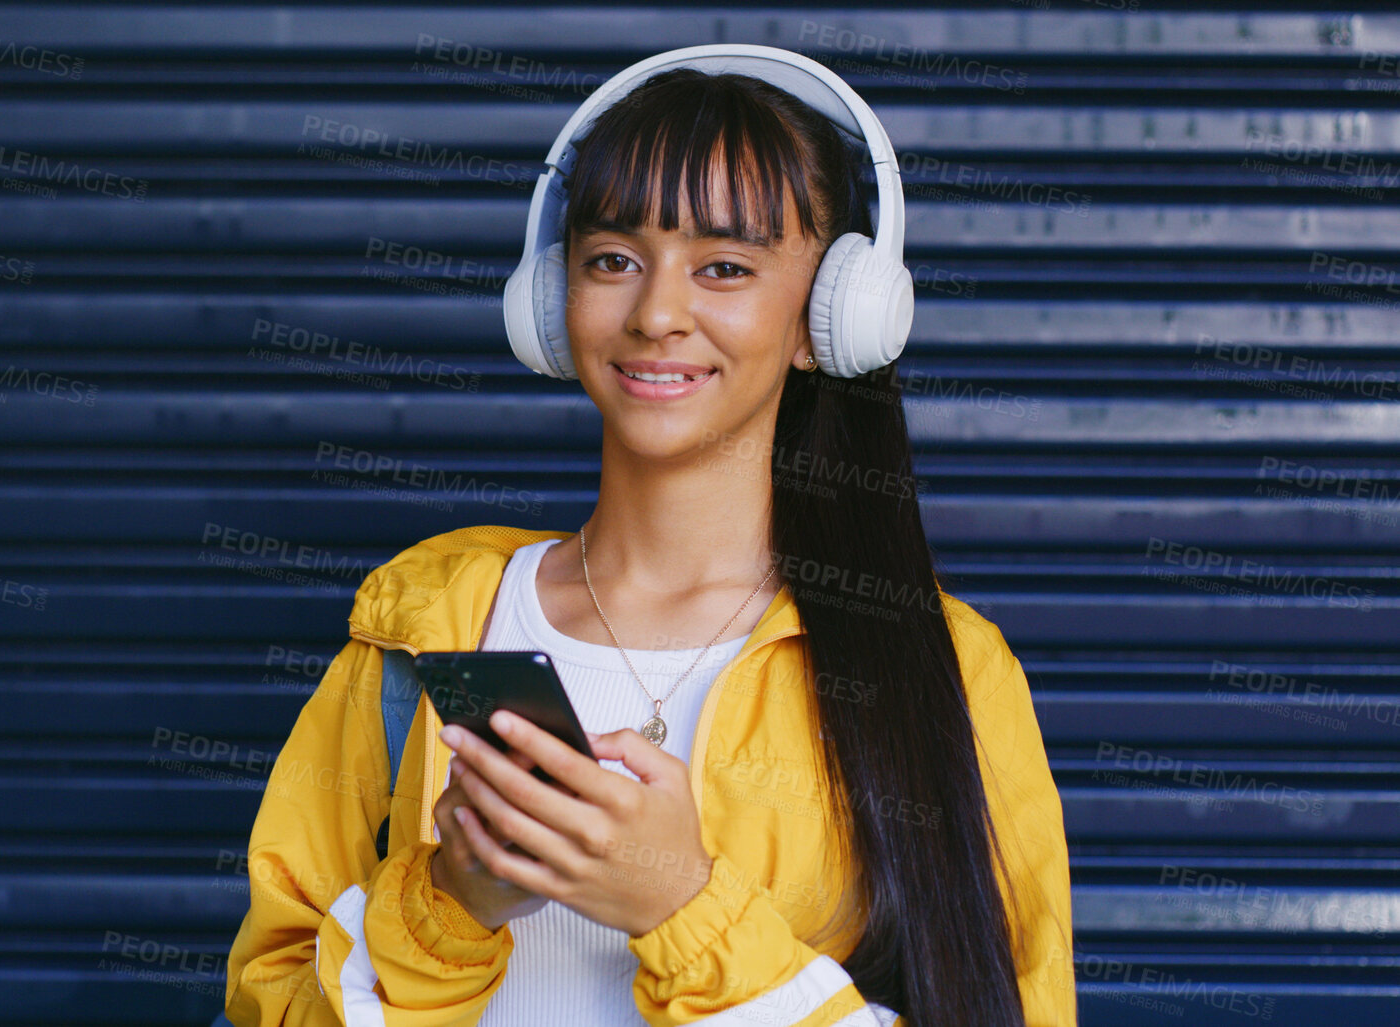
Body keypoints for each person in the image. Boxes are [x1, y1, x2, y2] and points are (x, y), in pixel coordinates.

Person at [222, 46, 1074, 1027]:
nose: (657, 313)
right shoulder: (428, 628)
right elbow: (266, 1005)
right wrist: (449, 902)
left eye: (724, 267)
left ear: (828, 321)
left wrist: (681, 904)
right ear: (553, 300)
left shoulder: (945, 667)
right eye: (614, 260)